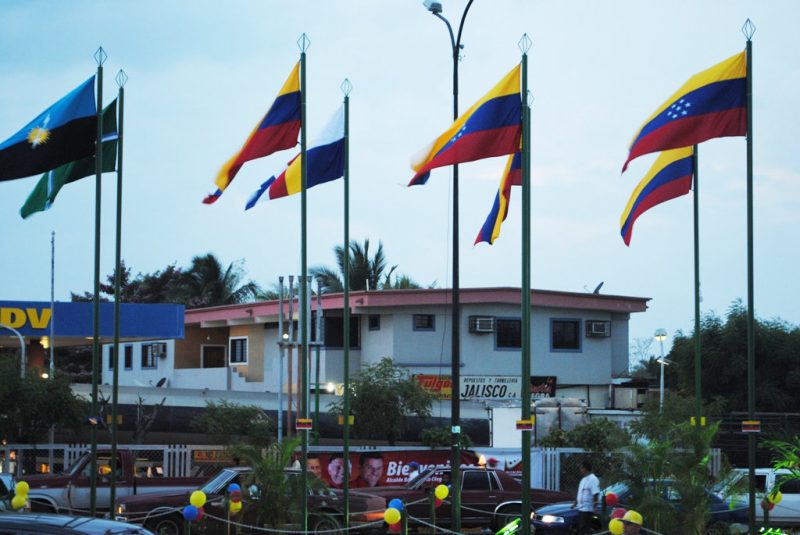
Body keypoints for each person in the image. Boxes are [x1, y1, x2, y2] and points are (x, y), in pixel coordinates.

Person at [573, 460, 600, 534]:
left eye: (581, 468)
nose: (580, 470)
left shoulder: (593, 479)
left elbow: (595, 493)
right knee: (579, 527)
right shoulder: (583, 480)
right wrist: (575, 503)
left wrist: (595, 507)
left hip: (587, 509)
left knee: (584, 528)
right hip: (580, 508)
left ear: (585, 468)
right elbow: (580, 493)